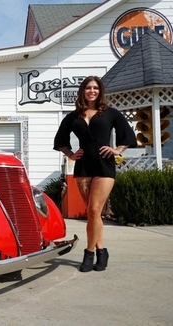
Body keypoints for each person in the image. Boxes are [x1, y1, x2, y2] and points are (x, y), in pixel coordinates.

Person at [53, 75, 136, 272]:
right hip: (83, 166)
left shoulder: (110, 113)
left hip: (104, 165)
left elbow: (127, 133)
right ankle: (102, 251)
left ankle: (89, 253)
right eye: (88, 87)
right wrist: (71, 155)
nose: (92, 91)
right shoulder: (73, 116)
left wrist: (118, 150)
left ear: (100, 91)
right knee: (92, 212)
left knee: (94, 209)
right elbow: (60, 140)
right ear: (83, 91)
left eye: (95, 88)